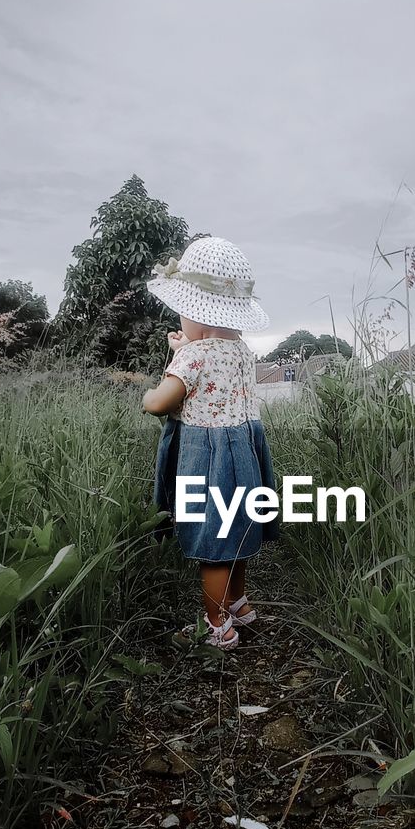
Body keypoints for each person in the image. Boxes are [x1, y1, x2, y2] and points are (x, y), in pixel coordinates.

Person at [141, 236, 277, 650]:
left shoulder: (192, 358)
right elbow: (213, 366)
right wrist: (189, 349)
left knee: (212, 542)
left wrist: (167, 371)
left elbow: (159, 403)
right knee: (234, 530)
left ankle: (215, 624)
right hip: (244, 454)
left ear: (197, 317)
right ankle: (238, 603)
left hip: (208, 460)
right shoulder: (241, 353)